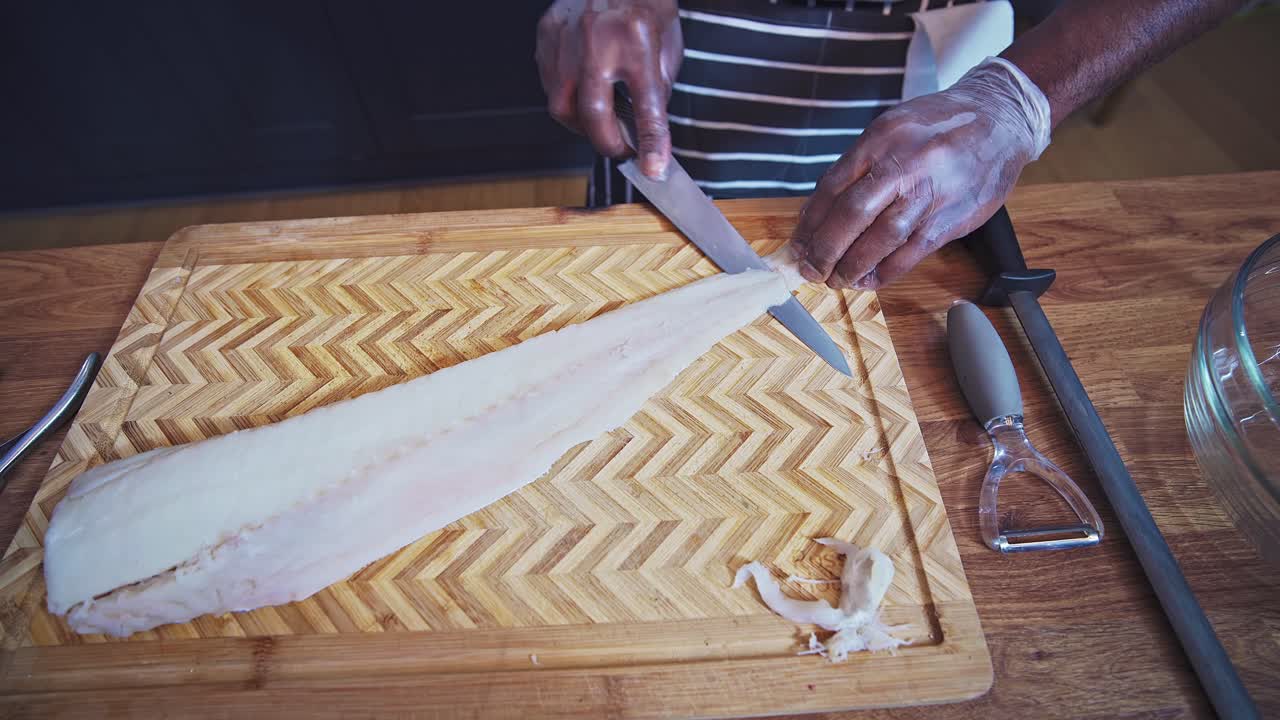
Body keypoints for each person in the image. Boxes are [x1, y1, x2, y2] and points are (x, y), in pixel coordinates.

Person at [536, 0, 1246, 290]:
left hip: (945, 80)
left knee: (885, 272)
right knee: (639, 269)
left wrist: (1020, 97)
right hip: (674, 43)